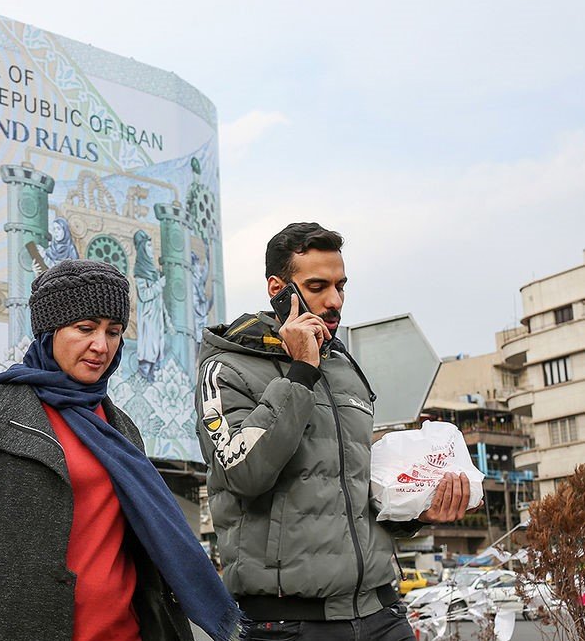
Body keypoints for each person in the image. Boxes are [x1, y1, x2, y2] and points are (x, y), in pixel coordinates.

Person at [0, 260, 244, 641]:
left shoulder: (121, 430)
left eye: (113, 332)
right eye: (85, 328)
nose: (101, 346)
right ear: (49, 331)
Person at [195, 222, 479, 641]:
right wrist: (301, 372)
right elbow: (244, 474)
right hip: (291, 622)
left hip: (382, 610)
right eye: (317, 286)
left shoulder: (344, 369)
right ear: (277, 289)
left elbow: (355, 495)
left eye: (340, 286)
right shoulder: (225, 368)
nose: (334, 301)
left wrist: (415, 512)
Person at [132, 230, 166, 382]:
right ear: (142, 249)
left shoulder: (154, 271)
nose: (152, 249)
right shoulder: (140, 271)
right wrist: (159, 285)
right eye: (149, 246)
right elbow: (144, 295)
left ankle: (152, 377)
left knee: (156, 351)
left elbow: (160, 300)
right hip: (148, 318)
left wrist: (167, 320)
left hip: (157, 319)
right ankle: (144, 376)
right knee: (148, 350)